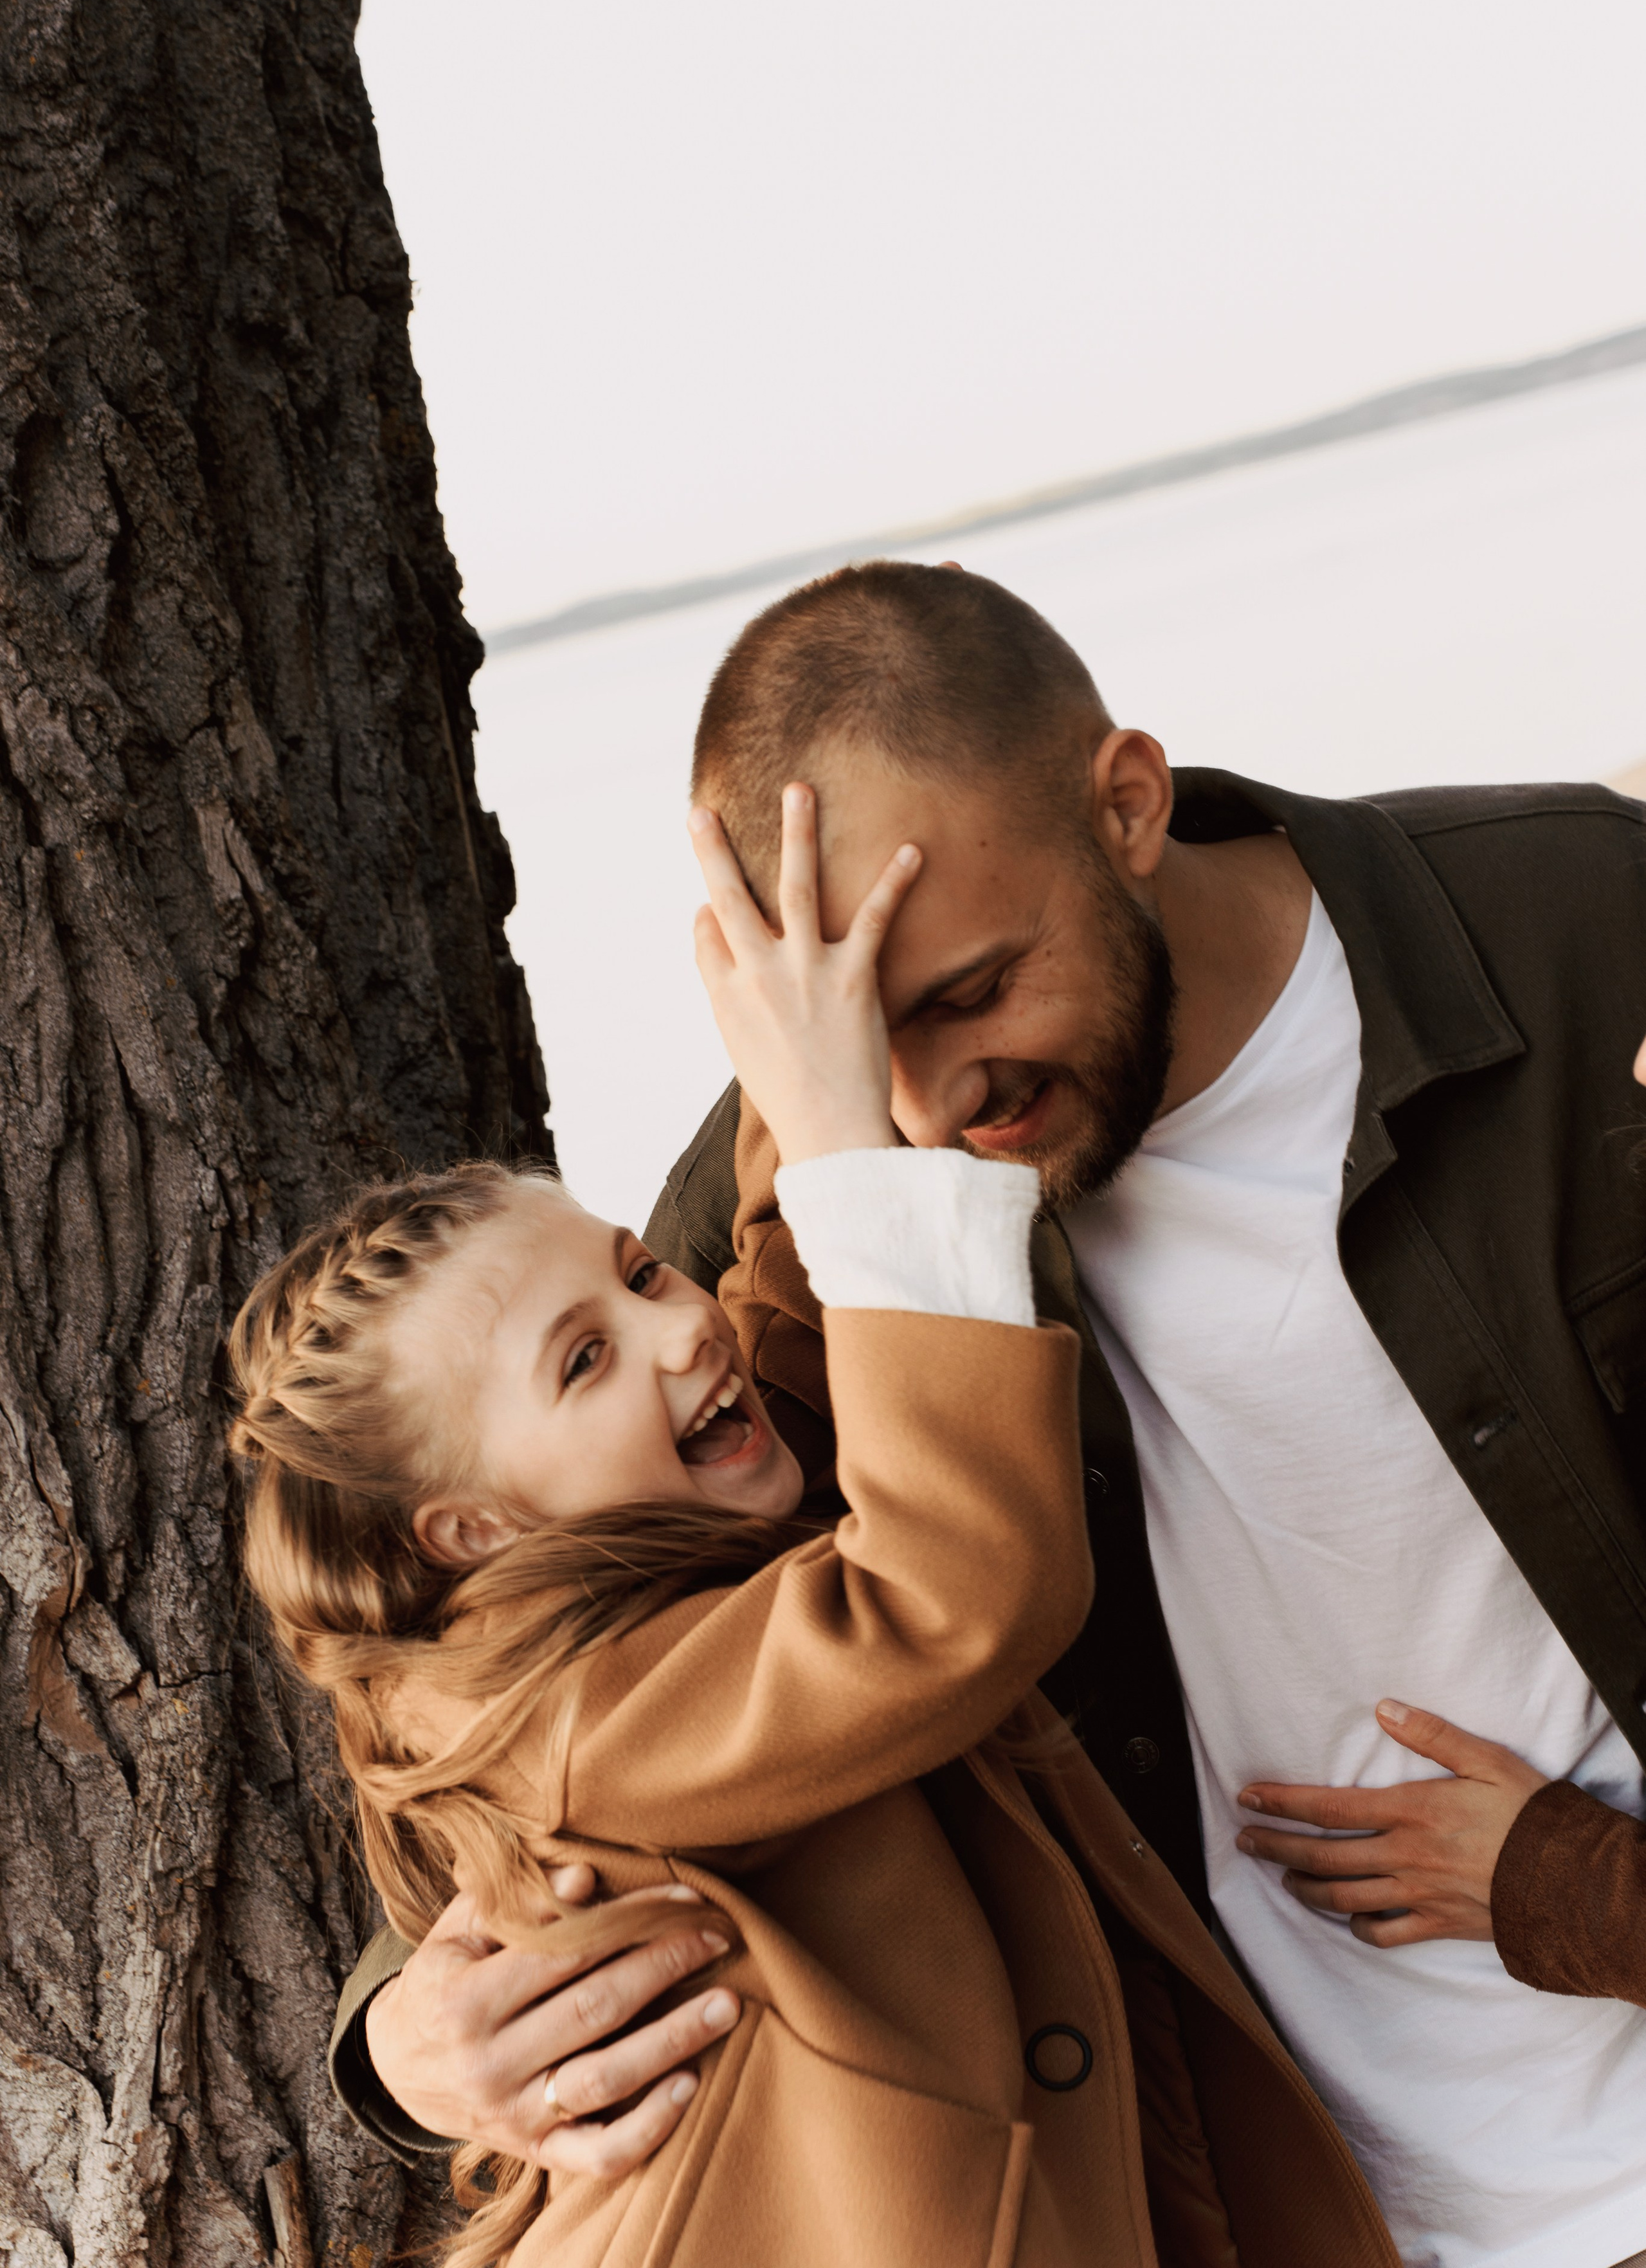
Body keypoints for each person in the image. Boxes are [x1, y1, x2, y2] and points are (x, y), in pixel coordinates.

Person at [338, 560, 1646, 2268]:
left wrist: (1583, 1892)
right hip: (1305, 2212)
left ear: (1127, 804)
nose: (938, 1099)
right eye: (857, 1040)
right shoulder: (822, 1176)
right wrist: (407, 2040)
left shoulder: (1576, 939)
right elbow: (555, 1657)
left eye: (972, 993)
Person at [240, 789, 1395, 2265]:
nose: (673, 1333)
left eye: (641, 1275)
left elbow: (787, 1310)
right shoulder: (590, 1715)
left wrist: (806, 1054)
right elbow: (950, 1593)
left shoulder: (657, 1551)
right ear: (473, 1530)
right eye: (581, 1360)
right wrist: (852, 1138)